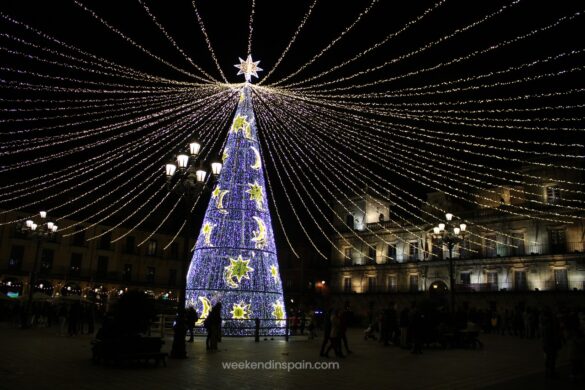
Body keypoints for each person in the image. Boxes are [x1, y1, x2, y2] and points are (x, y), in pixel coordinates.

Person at [541, 307, 562, 379]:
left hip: (546, 343)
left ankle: (548, 372)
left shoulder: (544, 322)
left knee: (548, 359)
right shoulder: (551, 323)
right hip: (551, 344)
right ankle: (551, 372)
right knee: (552, 359)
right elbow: (553, 334)